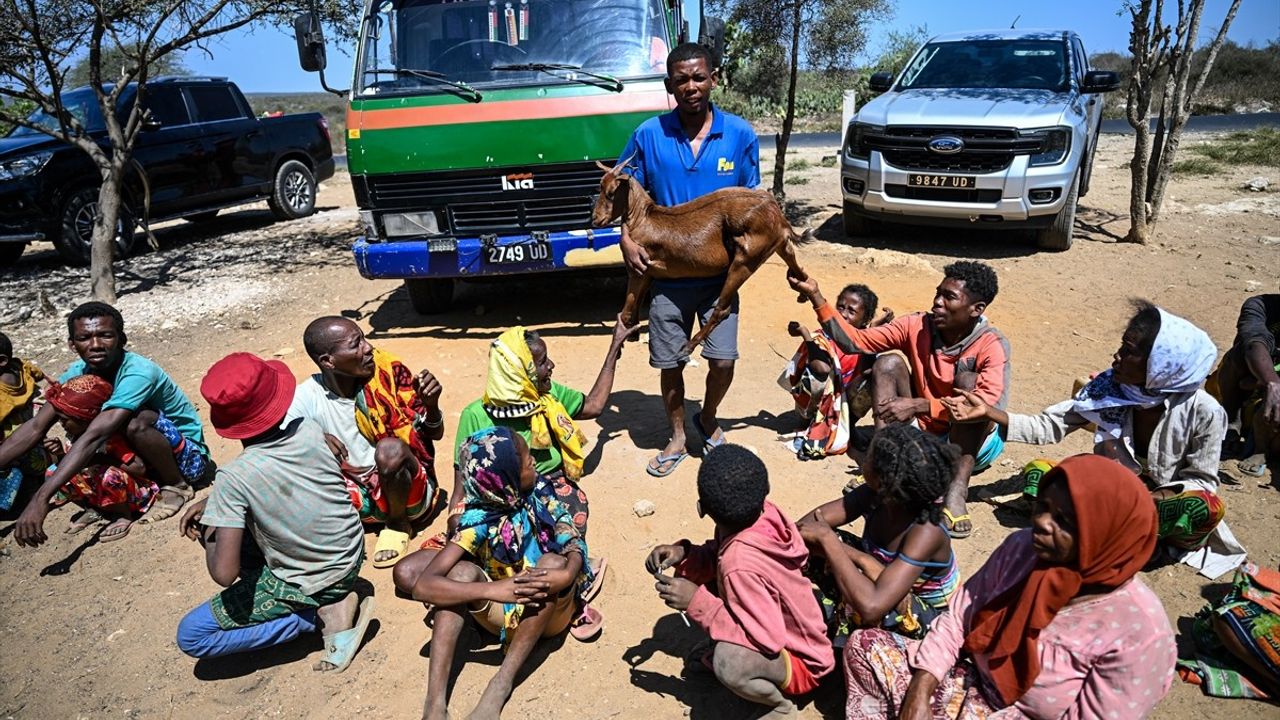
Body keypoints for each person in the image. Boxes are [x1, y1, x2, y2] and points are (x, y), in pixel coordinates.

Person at [843, 454, 1177, 720]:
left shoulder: (1141, 632)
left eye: (1063, 521)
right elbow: (959, 618)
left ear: (1105, 535)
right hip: (970, 679)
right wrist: (920, 690)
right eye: (1042, 507)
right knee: (864, 645)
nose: (1041, 522)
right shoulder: (1022, 550)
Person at [945, 301, 1245, 578]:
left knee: (1205, 507)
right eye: (1122, 346)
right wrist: (990, 413)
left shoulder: (1204, 411)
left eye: (1129, 351)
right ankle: (1117, 534)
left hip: (1160, 503)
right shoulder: (1109, 387)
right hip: (1113, 491)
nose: (1117, 356)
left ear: (1161, 364)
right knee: (1041, 474)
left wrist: (1149, 499)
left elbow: (1202, 480)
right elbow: (1048, 425)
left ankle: (1140, 538)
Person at [615, 42, 761, 477]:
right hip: (666, 277)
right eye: (681, 80)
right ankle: (677, 435)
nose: (691, 86)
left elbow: (751, 204)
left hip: (719, 279)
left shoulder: (740, 135)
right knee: (670, 363)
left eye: (699, 77)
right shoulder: (648, 135)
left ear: (714, 79)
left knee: (723, 361)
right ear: (669, 85)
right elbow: (624, 194)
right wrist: (625, 239)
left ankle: (708, 418)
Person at [175, 353, 373, 671]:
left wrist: (211, 525)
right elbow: (276, 473)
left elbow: (223, 574)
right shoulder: (309, 429)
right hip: (350, 556)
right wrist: (217, 501)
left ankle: (315, 617)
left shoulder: (233, 478)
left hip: (318, 582)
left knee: (192, 636)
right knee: (245, 525)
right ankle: (326, 600)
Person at [787, 263, 1010, 538]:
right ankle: (884, 465)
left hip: (972, 445)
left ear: (977, 309)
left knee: (969, 383)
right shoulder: (918, 325)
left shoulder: (992, 344)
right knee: (887, 363)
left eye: (949, 297)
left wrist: (921, 405)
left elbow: (985, 407)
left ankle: (956, 489)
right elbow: (856, 341)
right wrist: (816, 295)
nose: (937, 302)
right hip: (924, 436)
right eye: (938, 293)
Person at [391, 427, 595, 720]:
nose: (533, 463)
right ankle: (434, 705)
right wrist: (492, 590)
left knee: (551, 564)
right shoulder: (478, 519)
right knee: (460, 572)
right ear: (505, 478)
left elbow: (570, 534)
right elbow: (424, 586)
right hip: (502, 609)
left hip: (548, 613)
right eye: (525, 461)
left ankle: (500, 685)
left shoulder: (540, 491)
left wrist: (569, 572)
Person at [448, 318, 638, 592]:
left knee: (568, 515)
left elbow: (594, 405)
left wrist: (614, 348)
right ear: (520, 373)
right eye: (542, 362)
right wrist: (456, 523)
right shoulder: (475, 415)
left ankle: (550, 579)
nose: (551, 366)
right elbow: (460, 490)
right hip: (493, 500)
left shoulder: (547, 396)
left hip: (546, 489)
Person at [646, 444, 834, 716]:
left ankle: (781, 707)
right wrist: (685, 555)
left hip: (804, 664)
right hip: (796, 632)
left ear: (702, 508)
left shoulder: (738, 564)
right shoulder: (764, 514)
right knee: (710, 580)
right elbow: (718, 554)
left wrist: (696, 602)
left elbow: (766, 639)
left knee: (729, 662)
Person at [2, 302, 211, 546]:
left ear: (122, 339)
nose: (95, 345)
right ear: (72, 344)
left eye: (105, 335)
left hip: (185, 460)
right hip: (136, 460)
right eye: (84, 338)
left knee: (135, 420)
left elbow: (96, 436)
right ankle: (114, 502)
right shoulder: (78, 373)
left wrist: (41, 498)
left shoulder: (138, 372)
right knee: (74, 454)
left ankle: (176, 487)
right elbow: (37, 426)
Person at [285, 317, 446, 568]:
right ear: (328, 361)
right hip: (356, 499)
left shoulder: (387, 375)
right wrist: (312, 437)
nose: (369, 348)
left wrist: (432, 407)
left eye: (364, 338)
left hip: (407, 496)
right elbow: (280, 442)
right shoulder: (308, 396)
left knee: (389, 450)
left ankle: (397, 524)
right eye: (356, 344)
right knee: (300, 467)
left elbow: (434, 433)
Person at [796, 424, 960, 643]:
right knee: (812, 542)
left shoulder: (927, 531)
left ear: (884, 479)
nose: (864, 460)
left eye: (869, 458)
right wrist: (862, 560)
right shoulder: (874, 494)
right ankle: (838, 618)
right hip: (885, 585)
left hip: (929, 618)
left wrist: (834, 544)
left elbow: (873, 606)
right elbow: (806, 527)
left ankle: (846, 642)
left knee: (833, 549)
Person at [44, 375, 203, 541]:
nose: (61, 423)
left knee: (108, 476)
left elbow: (138, 468)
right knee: (53, 472)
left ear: (84, 418)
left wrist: (98, 459)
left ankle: (123, 515)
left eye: (65, 419)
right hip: (103, 492)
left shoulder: (110, 439)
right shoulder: (73, 437)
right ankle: (95, 509)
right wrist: (61, 455)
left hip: (136, 493)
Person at [780, 283, 892, 458]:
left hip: (843, 405)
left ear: (865, 320)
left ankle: (848, 426)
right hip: (815, 406)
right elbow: (821, 368)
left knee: (874, 379)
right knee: (817, 376)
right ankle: (807, 424)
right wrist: (805, 334)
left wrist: (874, 329)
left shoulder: (863, 340)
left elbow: (868, 370)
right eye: (840, 307)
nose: (843, 314)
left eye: (851, 311)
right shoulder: (821, 337)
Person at [1211, 294, 1280, 478]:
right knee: (1239, 354)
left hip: (1258, 385)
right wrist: (1272, 382)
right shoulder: (1259, 305)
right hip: (1251, 378)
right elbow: (1254, 344)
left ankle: (1261, 448)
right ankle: (1231, 420)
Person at [0, 332, 51, 510]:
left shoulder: (2, 395)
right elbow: (34, 371)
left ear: (2, 361)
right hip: (34, 435)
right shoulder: (19, 366)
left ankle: (23, 496)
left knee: (14, 467)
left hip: (14, 445)